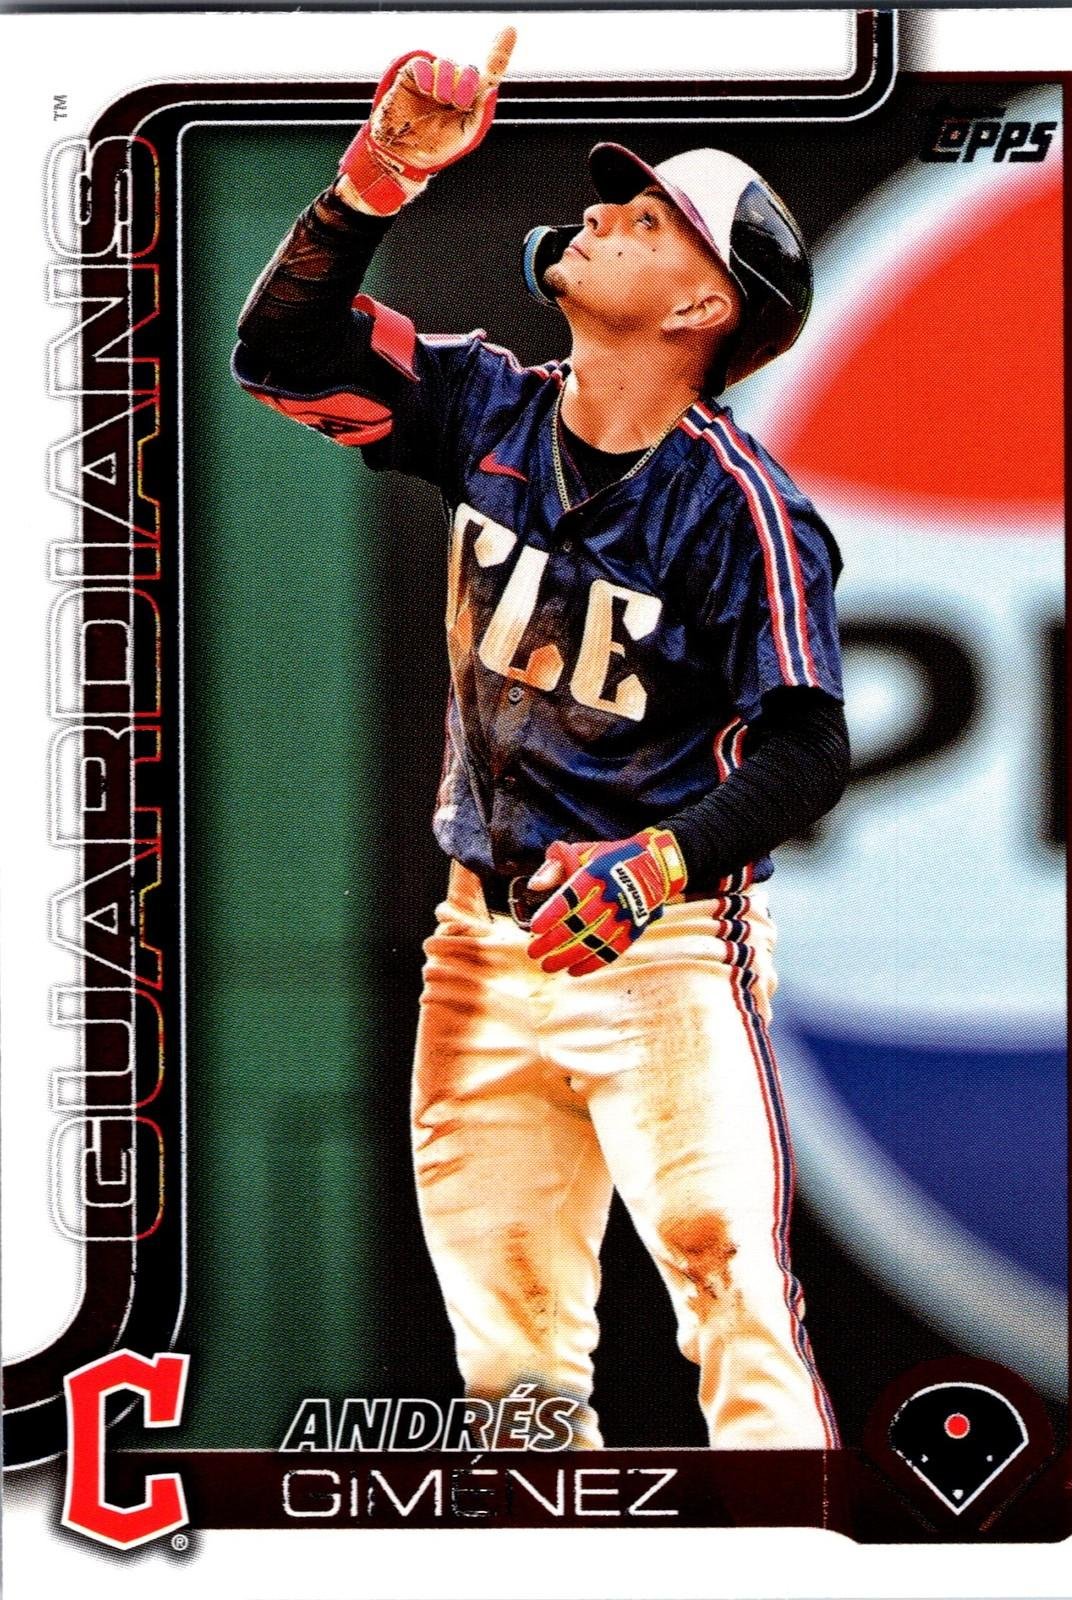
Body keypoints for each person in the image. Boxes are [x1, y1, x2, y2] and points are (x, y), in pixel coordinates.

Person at [234, 28, 848, 1450]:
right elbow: (278, 355)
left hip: (662, 941)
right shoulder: (489, 401)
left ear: (701, 303)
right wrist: (373, 181)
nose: (605, 212)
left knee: (731, 1284)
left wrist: (659, 861)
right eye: (620, 200)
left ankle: (792, 1553)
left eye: (651, 219)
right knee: (510, 1370)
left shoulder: (740, 506)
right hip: (482, 939)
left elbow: (808, 748)